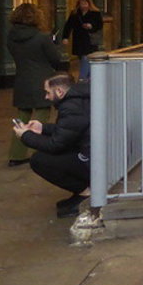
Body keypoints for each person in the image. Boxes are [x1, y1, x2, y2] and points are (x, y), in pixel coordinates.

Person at [14, 74, 91, 218]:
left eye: (48, 92)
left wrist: (25, 136)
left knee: (39, 161)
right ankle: (83, 191)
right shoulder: (79, 98)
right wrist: (42, 128)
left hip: (90, 159)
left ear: (60, 92)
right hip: (91, 152)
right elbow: (70, 130)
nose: (46, 97)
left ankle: (86, 193)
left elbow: (55, 145)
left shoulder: (71, 107)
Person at [6, 3, 61, 166]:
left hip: (22, 78)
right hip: (42, 80)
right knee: (41, 118)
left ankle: (16, 155)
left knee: (22, 117)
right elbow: (56, 59)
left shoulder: (11, 37)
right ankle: (41, 153)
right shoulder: (42, 37)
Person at [60, 0, 104, 81]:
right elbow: (68, 26)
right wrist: (65, 37)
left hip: (90, 39)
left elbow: (99, 25)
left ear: (89, 4)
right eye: (81, 3)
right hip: (79, 39)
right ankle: (90, 77)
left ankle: (82, 78)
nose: (83, 5)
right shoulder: (75, 13)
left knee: (86, 57)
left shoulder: (95, 13)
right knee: (83, 58)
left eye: (85, 3)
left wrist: (91, 26)